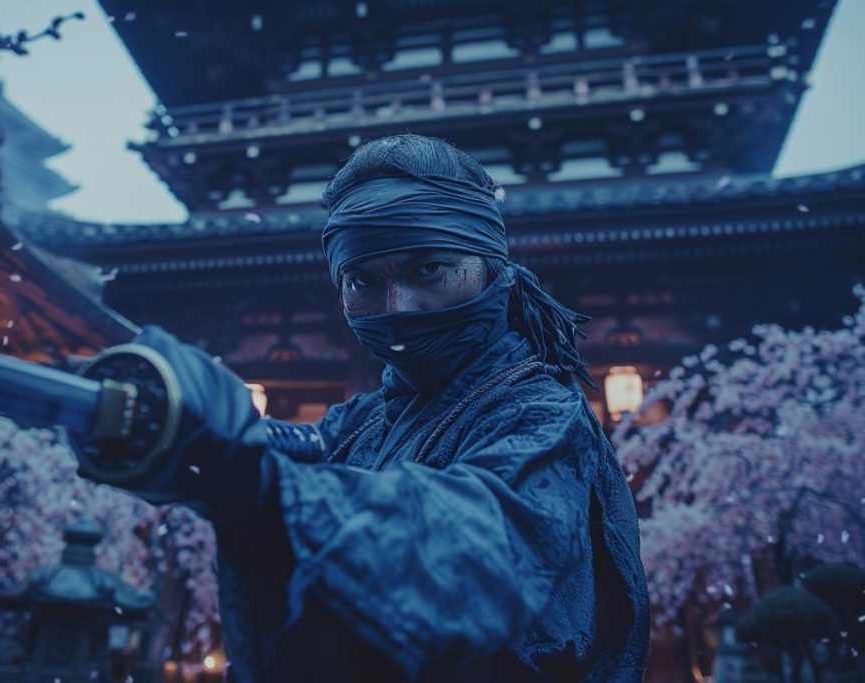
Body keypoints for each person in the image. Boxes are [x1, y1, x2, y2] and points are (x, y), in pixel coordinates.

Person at [125, 135, 649, 682]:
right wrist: (179, 431)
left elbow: (474, 554)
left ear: (490, 266)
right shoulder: (359, 424)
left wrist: (263, 484)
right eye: (364, 281)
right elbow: (270, 456)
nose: (397, 307)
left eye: (429, 269)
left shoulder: (543, 415)